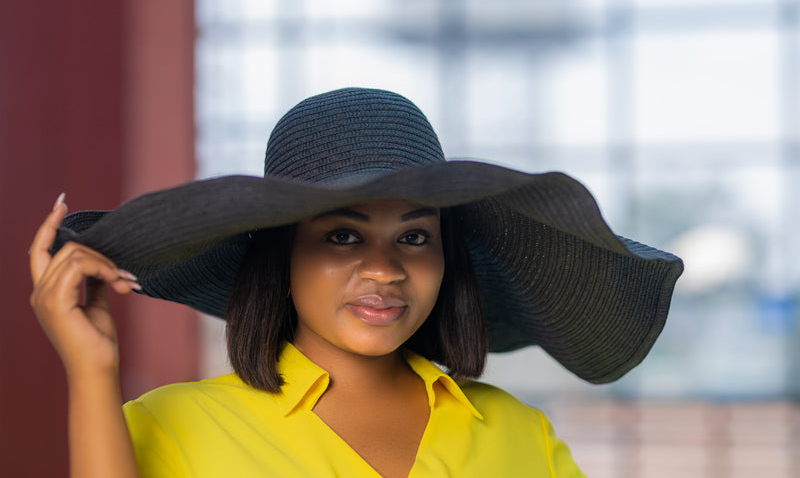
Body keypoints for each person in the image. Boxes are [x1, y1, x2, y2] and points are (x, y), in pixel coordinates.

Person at [30, 88, 683, 477]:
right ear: (281, 255)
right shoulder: (172, 426)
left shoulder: (521, 436)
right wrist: (90, 372)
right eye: (342, 235)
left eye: (415, 236)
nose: (384, 268)